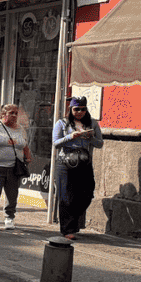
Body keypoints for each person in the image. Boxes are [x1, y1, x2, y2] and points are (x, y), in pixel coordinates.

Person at [52, 97, 104, 239]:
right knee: (66, 196)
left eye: (83, 109)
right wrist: (71, 136)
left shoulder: (92, 123)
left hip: (84, 162)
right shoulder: (62, 123)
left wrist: (90, 138)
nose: (80, 112)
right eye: (76, 109)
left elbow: (100, 143)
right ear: (70, 109)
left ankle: (73, 221)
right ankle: (68, 229)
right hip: (65, 163)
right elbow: (55, 143)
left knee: (87, 194)